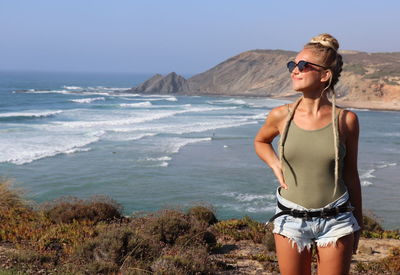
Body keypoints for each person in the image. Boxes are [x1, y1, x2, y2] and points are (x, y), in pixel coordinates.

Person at [254, 33, 363, 275]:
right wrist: (274, 163)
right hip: (290, 217)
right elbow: (261, 141)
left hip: (337, 219)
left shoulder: (346, 120)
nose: (295, 70)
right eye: (292, 65)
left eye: (303, 65)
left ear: (325, 75)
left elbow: (351, 172)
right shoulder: (280, 115)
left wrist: (359, 224)